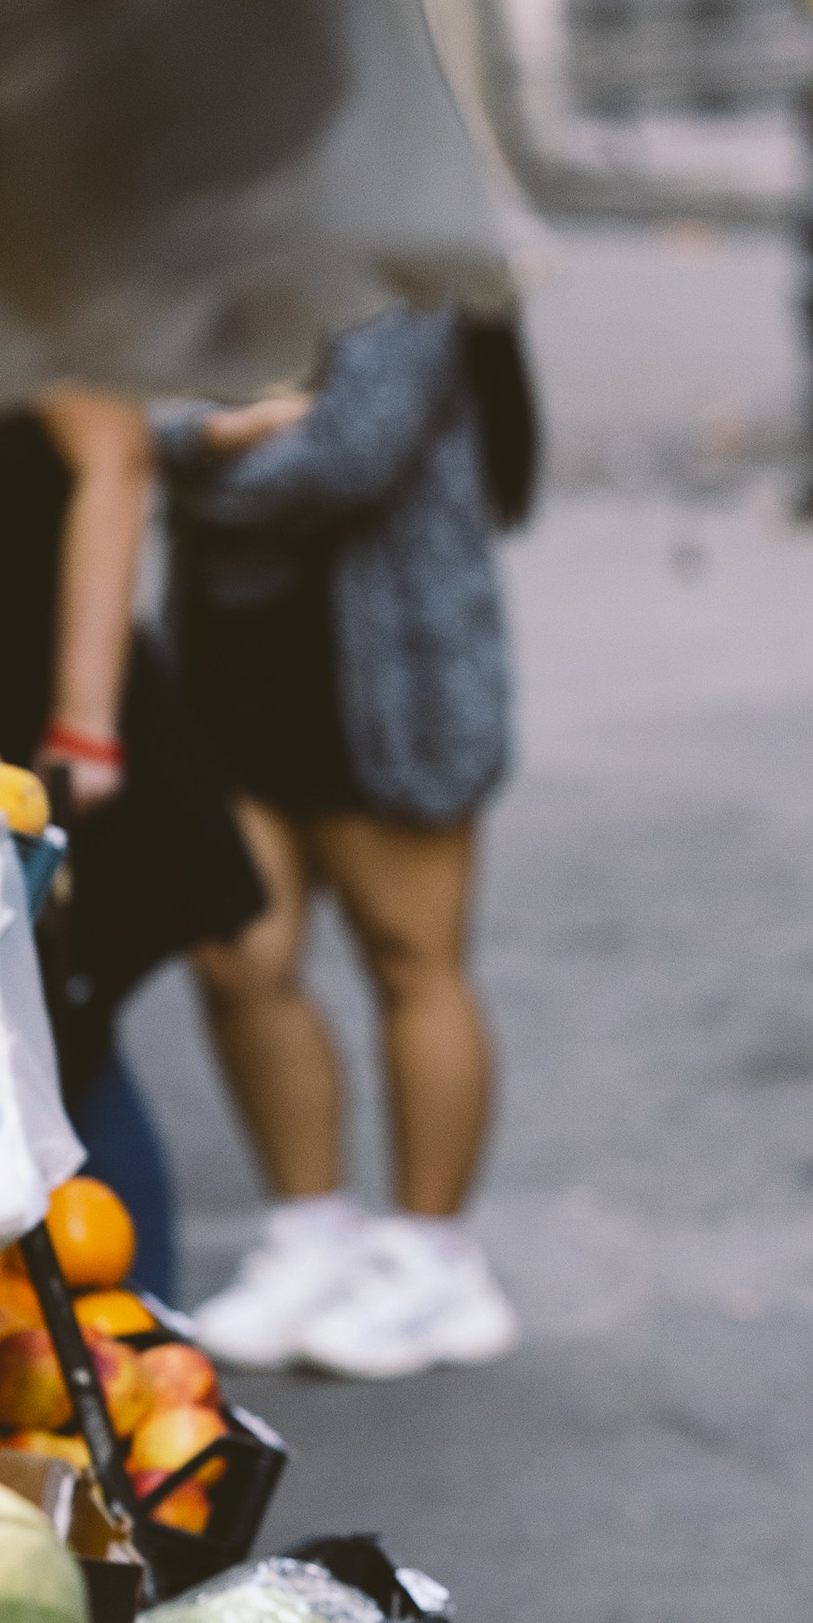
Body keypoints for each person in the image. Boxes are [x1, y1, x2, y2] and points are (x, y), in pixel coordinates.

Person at [157, 305, 534, 1378]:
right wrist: (193, 440)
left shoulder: (408, 264)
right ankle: (310, 1232)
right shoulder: (214, 233)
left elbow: (339, 457)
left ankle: (432, 1259)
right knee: (239, 958)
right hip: (231, 659)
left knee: (410, 957)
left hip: (392, 679)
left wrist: (188, 454)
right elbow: (133, 416)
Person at [0, 391, 262, 1291]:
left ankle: (133, 1325)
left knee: (69, 1033)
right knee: (36, 1039)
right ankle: (103, 1332)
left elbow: (119, 462)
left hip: (52, 728)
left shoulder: (23, 284)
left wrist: (86, 725)